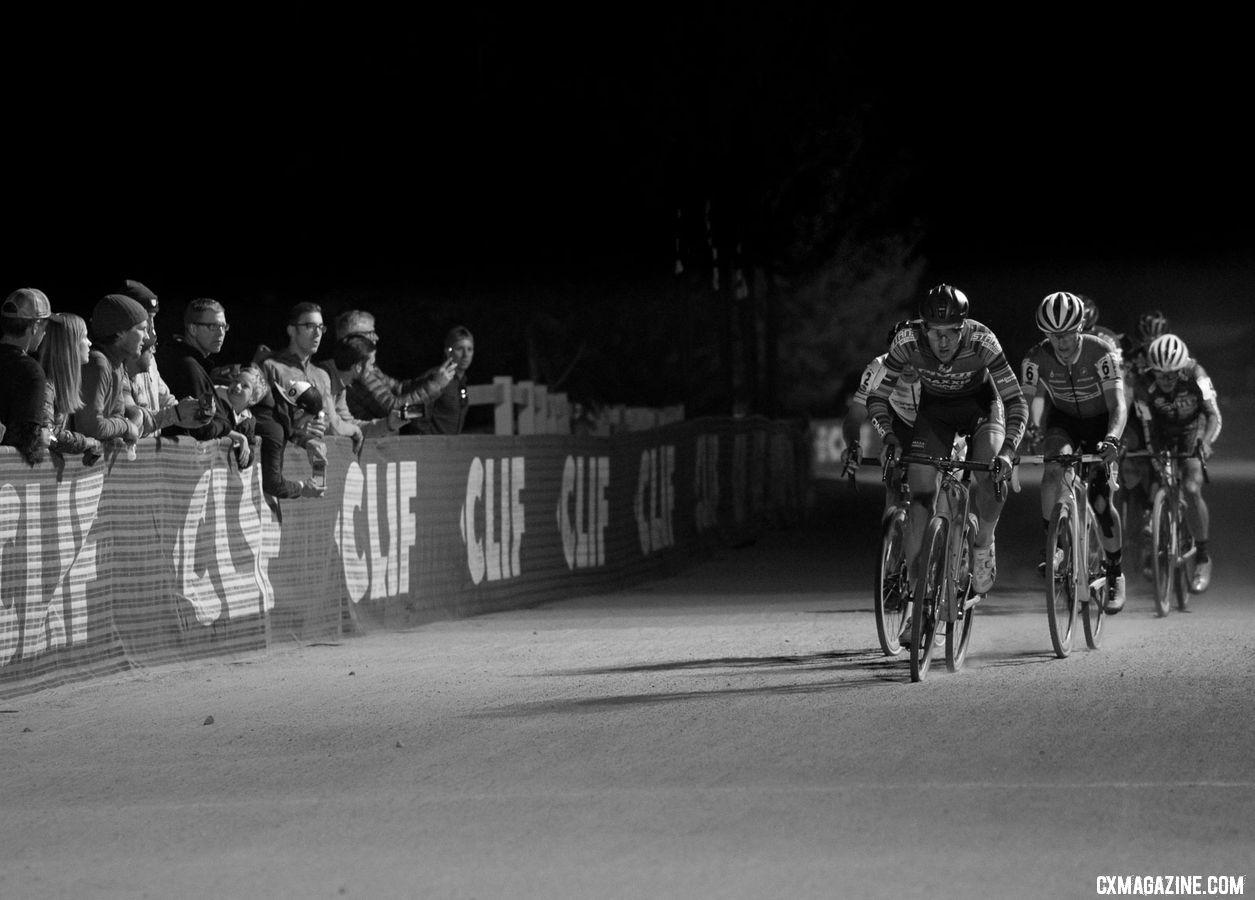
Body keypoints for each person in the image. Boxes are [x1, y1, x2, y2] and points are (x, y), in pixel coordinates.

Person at [867, 284, 1026, 605]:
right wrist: (889, 436)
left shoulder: (983, 340)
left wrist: (1008, 451)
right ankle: (917, 591)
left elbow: (1015, 401)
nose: (942, 342)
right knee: (921, 493)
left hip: (981, 409)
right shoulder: (907, 341)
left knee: (990, 478)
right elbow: (877, 396)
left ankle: (983, 543)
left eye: (951, 333)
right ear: (922, 327)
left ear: (964, 327)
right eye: (934, 333)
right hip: (935, 413)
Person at [1019, 291, 1128, 613]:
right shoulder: (1035, 357)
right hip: (1063, 420)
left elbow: (1117, 404)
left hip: (1101, 423)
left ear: (1080, 328)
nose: (1061, 343)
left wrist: (1112, 438)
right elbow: (1027, 402)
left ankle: (1115, 573)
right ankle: (1052, 544)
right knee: (1053, 469)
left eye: (1067, 335)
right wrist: (1027, 429)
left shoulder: (1102, 352)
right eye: (1053, 336)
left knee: (1100, 501)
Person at [1132, 333, 1221, 593]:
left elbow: (1213, 415)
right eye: (1160, 374)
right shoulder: (1143, 383)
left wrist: (1206, 443)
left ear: (1182, 368)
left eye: (1172, 374)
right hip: (1161, 430)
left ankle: (1203, 557)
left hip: (1194, 428)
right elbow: (1148, 425)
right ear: (1152, 370)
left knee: (1192, 487)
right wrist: (1154, 454)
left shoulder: (1197, 374)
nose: (1167, 380)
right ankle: (1155, 539)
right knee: (1156, 475)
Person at [840, 320, 920, 513]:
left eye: (913, 354)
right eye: (899, 356)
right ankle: (893, 533)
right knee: (894, 478)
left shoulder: (936, 366)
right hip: (904, 425)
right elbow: (855, 415)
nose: (907, 366)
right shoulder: (878, 367)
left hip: (938, 423)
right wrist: (853, 444)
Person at [334, 309, 456, 423]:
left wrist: (433, 377)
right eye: (370, 333)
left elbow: (399, 389)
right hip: (372, 442)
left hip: (380, 439)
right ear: (353, 338)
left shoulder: (369, 368)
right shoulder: (358, 372)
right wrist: (436, 385)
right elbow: (393, 409)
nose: (376, 337)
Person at [155, 297, 238, 440]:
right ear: (193, 329)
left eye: (223, 326)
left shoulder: (190, 361)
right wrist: (225, 424)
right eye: (213, 326)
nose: (220, 333)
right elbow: (202, 429)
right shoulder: (187, 366)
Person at [37, 313, 104, 465]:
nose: (89, 343)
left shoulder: (60, 383)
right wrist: (84, 442)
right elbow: (48, 433)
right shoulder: (46, 385)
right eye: (84, 337)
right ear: (69, 344)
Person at [0, 288, 52, 466]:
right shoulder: (30, 372)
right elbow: (27, 442)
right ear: (35, 326)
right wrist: (44, 436)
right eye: (44, 327)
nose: (44, 334)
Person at [317, 333, 401, 443]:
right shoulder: (321, 378)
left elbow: (347, 425)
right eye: (371, 364)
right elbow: (333, 428)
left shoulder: (340, 383)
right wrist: (355, 430)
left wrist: (388, 424)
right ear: (358, 367)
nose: (373, 369)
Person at [118, 279, 176, 424]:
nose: (151, 325)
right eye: (147, 317)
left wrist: (188, 410)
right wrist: (177, 414)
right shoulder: (115, 361)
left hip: (147, 442)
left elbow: (163, 397)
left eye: (153, 317)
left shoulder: (150, 358)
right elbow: (132, 418)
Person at [409, 326, 475, 435]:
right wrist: (425, 442)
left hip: (450, 447)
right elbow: (415, 412)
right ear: (448, 352)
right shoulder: (436, 376)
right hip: (431, 447)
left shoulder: (461, 380)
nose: (466, 355)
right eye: (460, 349)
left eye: (469, 349)